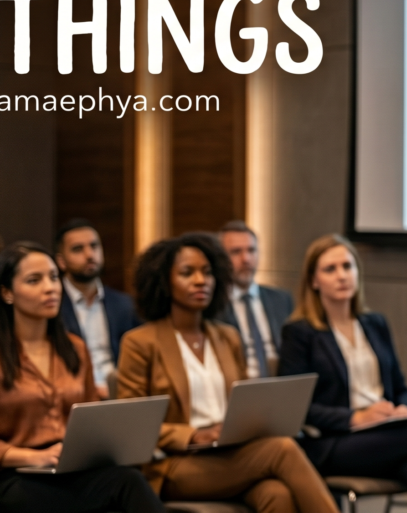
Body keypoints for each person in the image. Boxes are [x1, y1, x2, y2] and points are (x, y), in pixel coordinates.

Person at [116, 233, 338, 513]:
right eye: (188, 273)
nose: (201, 281)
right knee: (282, 449)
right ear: (164, 281)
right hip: (174, 464)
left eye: (207, 273)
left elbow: (245, 403)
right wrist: (194, 435)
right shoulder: (140, 343)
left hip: (230, 451)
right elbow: (133, 427)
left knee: (277, 494)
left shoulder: (228, 337)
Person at [278, 234, 407, 513]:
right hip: (332, 443)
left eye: (348, 266)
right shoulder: (299, 333)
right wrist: (355, 417)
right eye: (330, 269)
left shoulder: (374, 323)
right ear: (313, 281)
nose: (341, 275)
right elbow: (296, 409)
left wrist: (404, 409)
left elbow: (399, 384)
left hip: (385, 434)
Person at [0, 242, 164, 513]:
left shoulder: (75, 347)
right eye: (34, 280)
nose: (50, 287)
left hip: (68, 466)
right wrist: (33, 456)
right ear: (7, 293)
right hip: (14, 472)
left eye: (54, 277)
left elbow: (90, 418)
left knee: (129, 480)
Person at [55, 218, 143, 398]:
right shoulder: (51, 306)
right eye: (78, 249)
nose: (89, 254)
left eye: (94, 246)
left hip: (121, 396)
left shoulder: (124, 304)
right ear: (61, 261)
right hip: (74, 395)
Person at [216, 221, 294, 379]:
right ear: (221, 259)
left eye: (251, 250)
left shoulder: (281, 300)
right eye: (236, 252)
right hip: (238, 388)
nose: (246, 259)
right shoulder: (214, 305)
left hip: (281, 387)